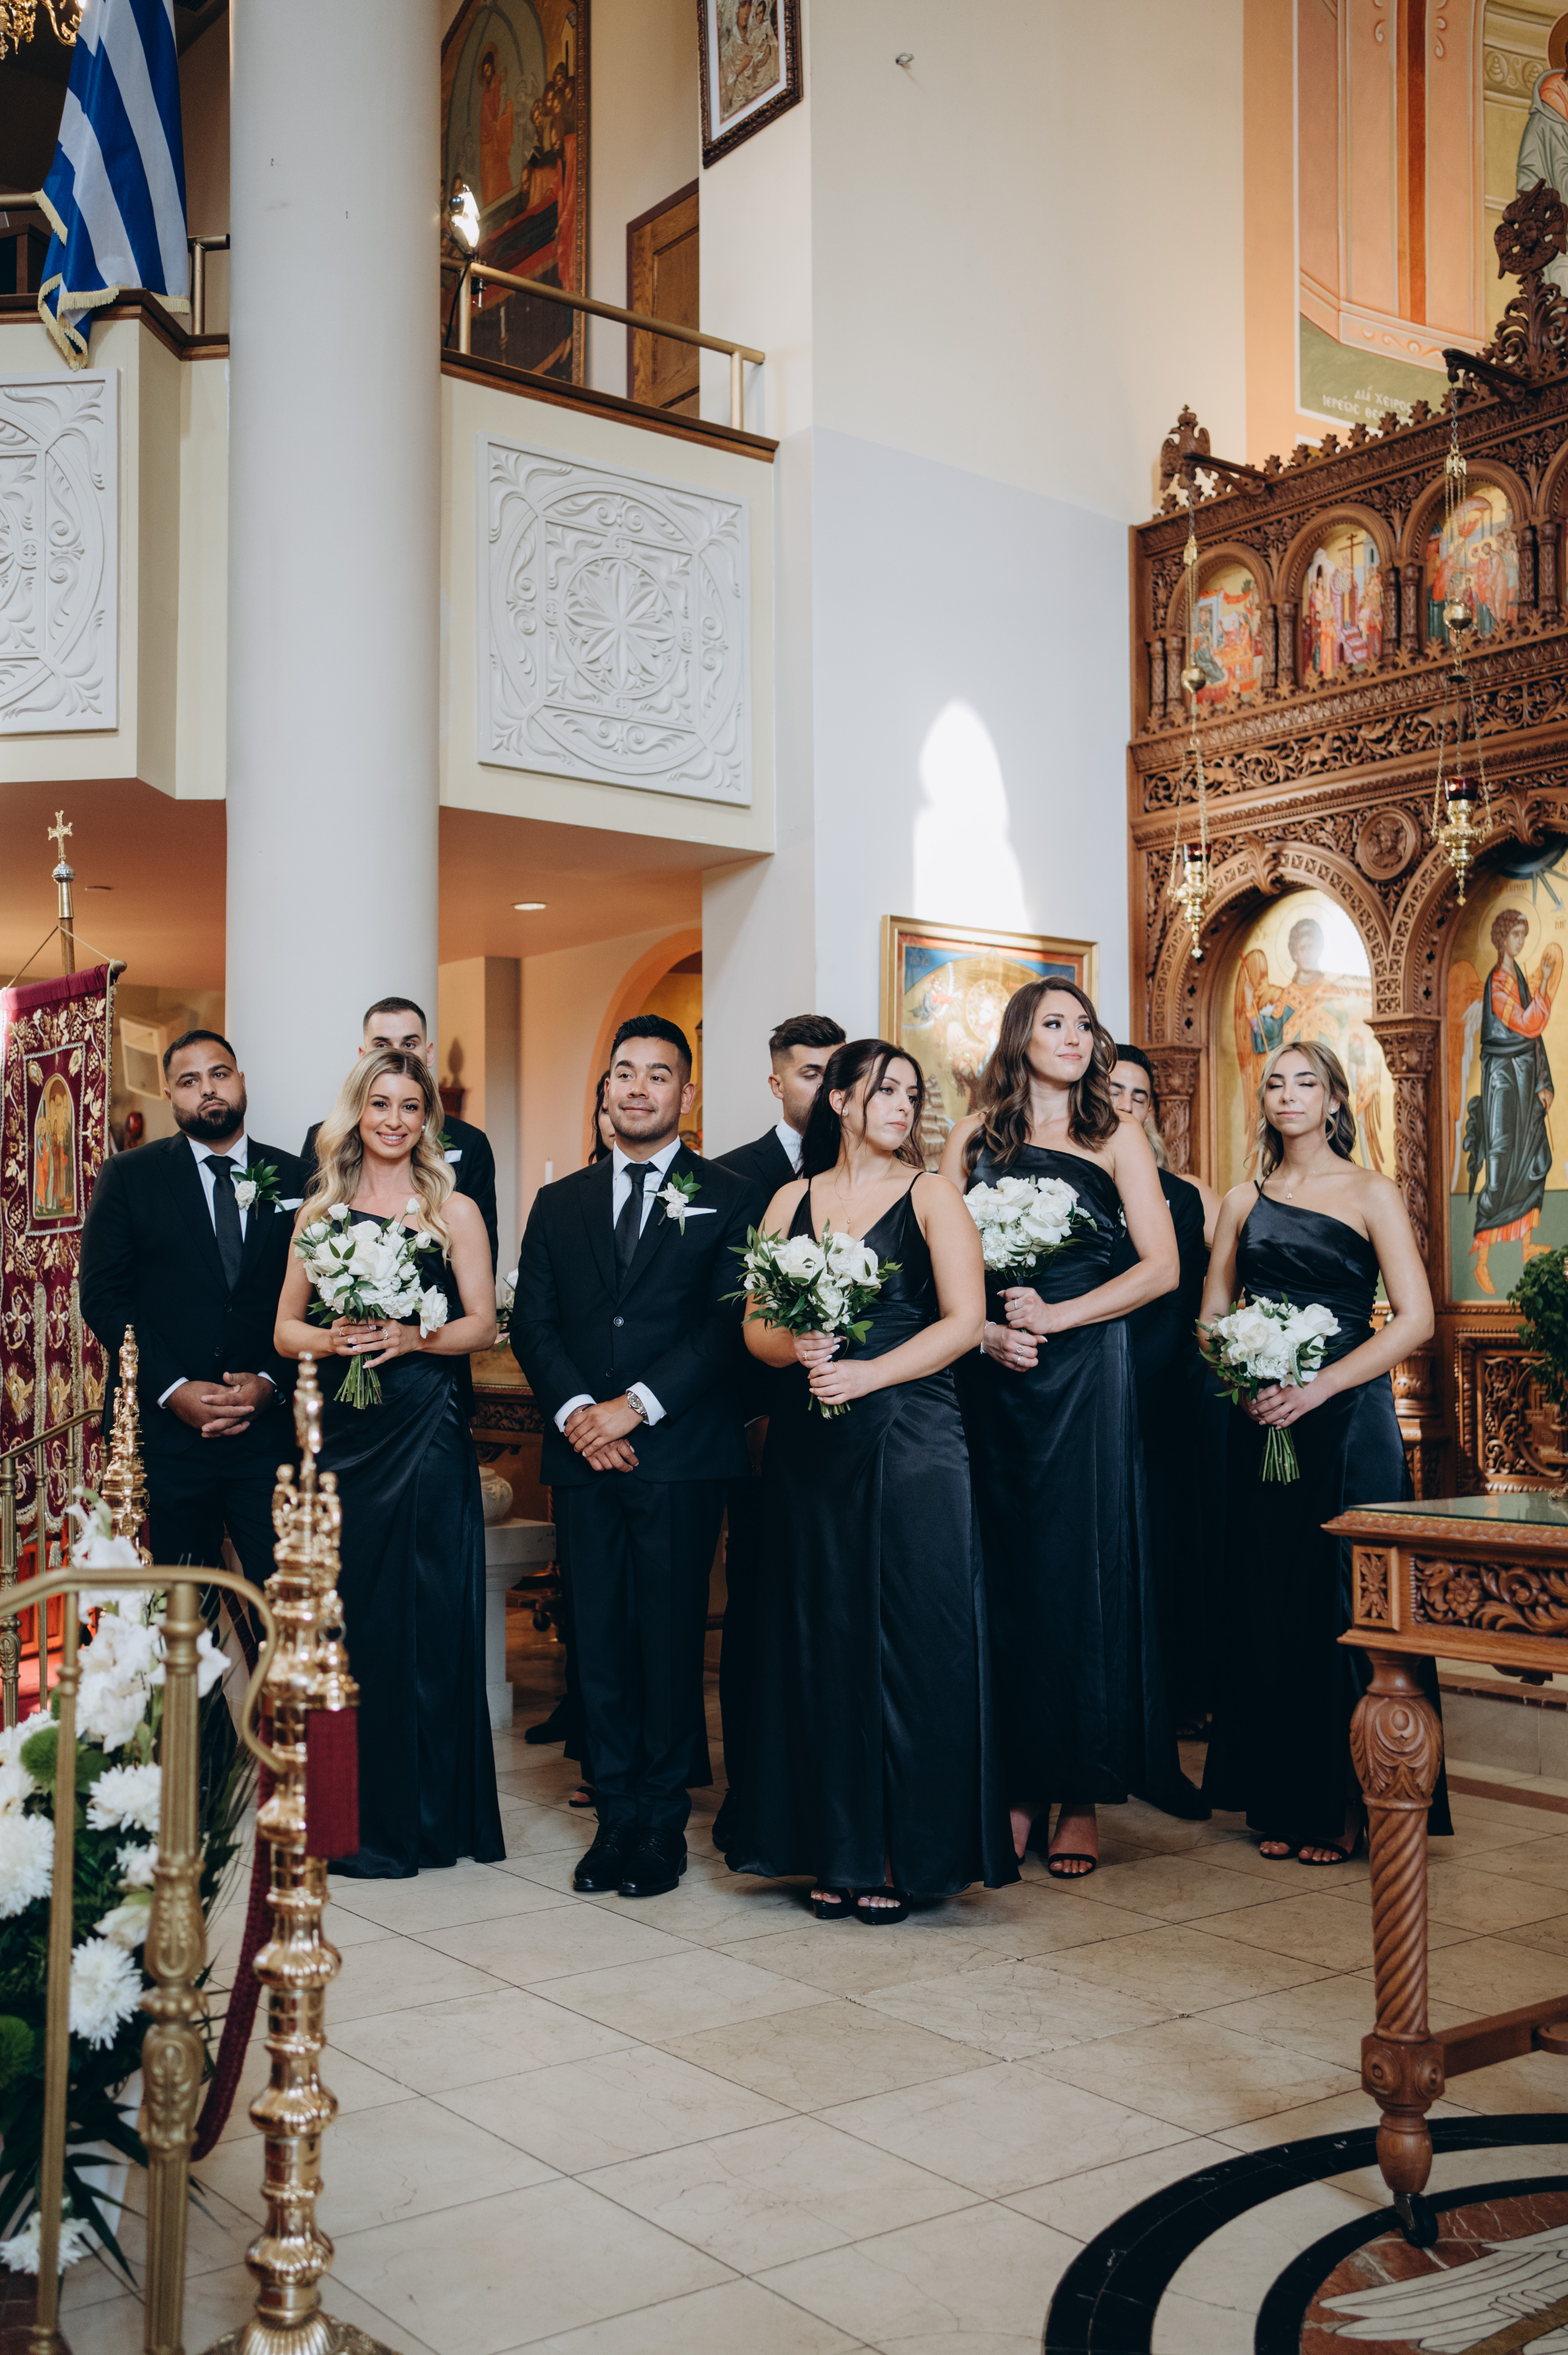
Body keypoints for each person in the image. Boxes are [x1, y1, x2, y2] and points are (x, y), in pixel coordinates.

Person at [728, 1038, 1015, 1920]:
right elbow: (755, 1329)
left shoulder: (933, 1196)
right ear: (842, 1102)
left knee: (909, 1634)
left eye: (912, 1094)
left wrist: (868, 1373)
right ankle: (831, 1845)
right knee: (819, 1630)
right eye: (885, 1090)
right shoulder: (791, 1200)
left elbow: (965, 1322)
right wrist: (797, 1345)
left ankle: (901, 1852)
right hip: (813, 1439)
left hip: (913, 1433)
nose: (902, 1106)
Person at [940, 981, 1201, 1881]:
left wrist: (1058, 1316)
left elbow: (1161, 1269)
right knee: (1004, 1568)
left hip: (1085, 1370)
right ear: (1019, 1036)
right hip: (992, 1372)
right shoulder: (972, 1138)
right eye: (1054, 1023)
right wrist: (985, 1331)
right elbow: (932, 1261)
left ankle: (1080, 1794)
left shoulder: (1114, 1135)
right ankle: (1015, 1783)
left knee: (1077, 1567)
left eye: (1084, 1024)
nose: (1074, 1036)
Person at [513, 1017, 762, 1901]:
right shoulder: (560, 1202)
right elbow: (533, 1323)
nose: (639, 1088)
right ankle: (614, 1813)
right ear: (607, 1089)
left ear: (686, 1095)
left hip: (679, 1452)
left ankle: (661, 1820)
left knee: (667, 1638)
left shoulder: (731, 1196)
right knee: (598, 1639)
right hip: (584, 1457)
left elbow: (727, 1325)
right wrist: (580, 1414)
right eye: (625, 1072)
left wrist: (635, 1408)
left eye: (659, 1075)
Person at [1200, 1041, 1447, 1863]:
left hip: (1347, 1419)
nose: (1288, 1094)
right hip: (1263, 1418)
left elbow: (1416, 1317)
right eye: (1274, 1082)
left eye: (1306, 1082)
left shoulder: (1372, 1191)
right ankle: (1282, 1795)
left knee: (1345, 1601)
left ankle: (1350, 1800)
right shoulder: (1243, 1200)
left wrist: (1319, 1386)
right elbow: (1212, 1313)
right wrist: (1243, 1380)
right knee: (1270, 1599)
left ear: (1335, 1100)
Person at [274, 1049, 504, 1878]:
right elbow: (285, 1332)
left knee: (429, 1617)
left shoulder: (454, 1210)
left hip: (427, 1428)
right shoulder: (320, 1213)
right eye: (381, 1104)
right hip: (345, 1436)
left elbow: (483, 1324)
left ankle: (431, 1820)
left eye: (411, 1106)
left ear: (427, 1120)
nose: (395, 1120)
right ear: (358, 1112)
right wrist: (334, 1337)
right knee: (350, 1622)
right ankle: (347, 1817)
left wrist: (415, 1336)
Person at [80, 1030, 305, 1619]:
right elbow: (104, 1298)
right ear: (169, 1095)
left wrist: (270, 1382)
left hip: (268, 1437)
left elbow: (315, 1302)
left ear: (241, 1081)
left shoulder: (299, 1178)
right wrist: (174, 1388)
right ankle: (195, 1692)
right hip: (167, 1440)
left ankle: (279, 1689)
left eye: (220, 1074)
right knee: (179, 1617)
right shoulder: (129, 1176)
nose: (208, 1089)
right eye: (190, 1080)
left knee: (287, 1607)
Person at [710, 1012, 846, 1847]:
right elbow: (721, 1310)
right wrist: (754, 1416)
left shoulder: (882, 1173)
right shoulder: (735, 1176)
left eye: (837, 1073)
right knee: (760, 1609)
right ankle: (753, 1788)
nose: (826, 1090)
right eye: (809, 1074)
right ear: (777, 1082)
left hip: (861, 1420)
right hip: (767, 1426)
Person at [1108, 1046, 1222, 1730]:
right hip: (1099, 1373)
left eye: (1140, 1096)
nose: (1127, 1105)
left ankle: (1181, 1693)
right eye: (1114, 1091)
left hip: (1174, 1384)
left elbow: (1230, 1283)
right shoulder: (1078, 1189)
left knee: (1171, 1535)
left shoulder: (1191, 1193)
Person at [300, 997, 498, 1272]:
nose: (396, 1056)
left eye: (409, 1044)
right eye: (382, 1046)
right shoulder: (324, 1139)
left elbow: (481, 1259)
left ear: (429, 1053)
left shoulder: (470, 1143)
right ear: (363, 1057)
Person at [1466, 909, 1561, 1298]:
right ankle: (1481, 1262)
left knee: (1534, 1157)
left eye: (1524, 935)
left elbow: (1533, 1041)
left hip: (1525, 1083)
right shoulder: (1498, 983)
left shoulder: (1519, 976)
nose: (1520, 942)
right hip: (1504, 1085)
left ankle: (1526, 1245)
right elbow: (1527, 1024)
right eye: (1515, 935)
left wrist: (1543, 1082)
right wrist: (1548, 984)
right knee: (1502, 1166)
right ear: (1501, 939)